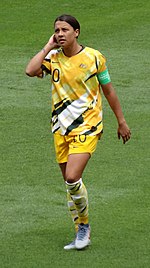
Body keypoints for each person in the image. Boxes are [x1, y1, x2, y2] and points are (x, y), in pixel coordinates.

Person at [25, 14, 131, 250]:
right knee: (70, 183)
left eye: (64, 29)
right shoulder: (52, 57)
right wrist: (48, 46)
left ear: (77, 32)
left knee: (72, 177)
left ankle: (83, 229)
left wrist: (121, 121)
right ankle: (81, 227)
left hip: (88, 126)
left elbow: (109, 91)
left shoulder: (94, 58)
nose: (60, 34)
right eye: (57, 30)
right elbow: (30, 70)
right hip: (60, 127)